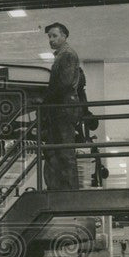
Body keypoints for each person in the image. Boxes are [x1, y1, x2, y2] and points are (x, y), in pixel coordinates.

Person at [39, 22, 84, 191]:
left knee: (64, 152)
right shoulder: (62, 55)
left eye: (54, 35)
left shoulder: (67, 55)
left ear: (64, 36)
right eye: (49, 36)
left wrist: (46, 99)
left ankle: (69, 191)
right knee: (58, 151)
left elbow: (64, 84)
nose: (51, 39)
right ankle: (61, 189)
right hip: (62, 107)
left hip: (64, 107)